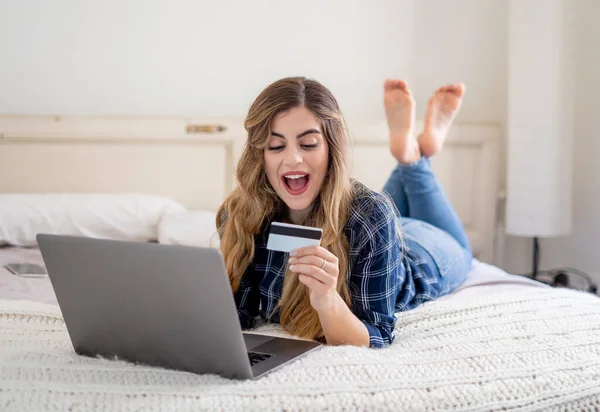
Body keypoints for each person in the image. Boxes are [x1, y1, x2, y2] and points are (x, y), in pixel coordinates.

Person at [216, 77, 471, 348]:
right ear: (260, 156)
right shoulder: (239, 216)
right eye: (276, 146)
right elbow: (237, 314)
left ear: (331, 149)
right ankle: (411, 155)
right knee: (377, 211)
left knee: (463, 250)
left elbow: (377, 334)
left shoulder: (371, 215)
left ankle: (415, 160)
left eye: (309, 144)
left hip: (422, 251)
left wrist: (327, 300)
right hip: (375, 227)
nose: (292, 159)